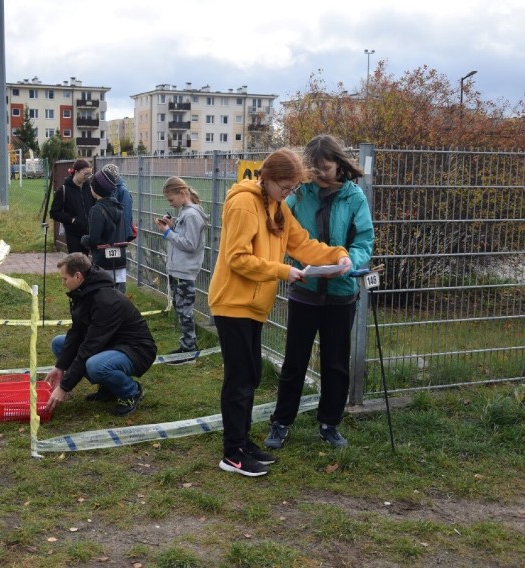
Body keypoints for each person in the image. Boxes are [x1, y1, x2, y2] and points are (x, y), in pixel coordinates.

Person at [207, 148, 352, 477]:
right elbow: (237, 258)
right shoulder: (244, 203)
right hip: (233, 302)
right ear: (268, 178)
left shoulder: (276, 206)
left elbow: (302, 244)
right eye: (285, 187)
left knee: (252, 375)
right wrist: (283, 272)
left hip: (255, 304)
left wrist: (338, 256)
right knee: (240, 378)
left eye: (292, 189)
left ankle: (242, 442)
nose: (289, 194)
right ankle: (232, 453)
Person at [265, 135, 374, 450]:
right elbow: (283, 231)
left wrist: (349, 262)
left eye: (325, 168)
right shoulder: (299, 195)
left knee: (336, 362)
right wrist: (289, 264)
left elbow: (364, 238)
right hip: (305, 291)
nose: (320, 175)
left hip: (342, 292)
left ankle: (330, 424)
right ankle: (281, 423)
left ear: (339, 163)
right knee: (294, 361)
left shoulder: (355, 198)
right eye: (313, 170)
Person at [44, 253, 157, 417]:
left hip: (137, 350)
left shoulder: (105, 301)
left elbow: (90, 346)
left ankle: (132, 391)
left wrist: (64, 387)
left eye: (65, 279)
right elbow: (77, 332)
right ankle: (109, 388)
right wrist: (60, 366)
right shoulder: (82, 292)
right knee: (59, 343)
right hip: (110, 343)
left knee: (95, 365)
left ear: (78, 276)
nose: (63, 284)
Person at [155, 176, 209, 362]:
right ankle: (187, 345)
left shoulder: (192, 215)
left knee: (184, 310)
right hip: (179, 269)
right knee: (181, 308)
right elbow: (184, 238)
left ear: (182, 193)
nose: (171, 204)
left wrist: (168, 233)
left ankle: (188, 349)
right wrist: (172, 227)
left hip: (184, 270)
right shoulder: (186, 213)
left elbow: (190, 244)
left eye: (171, 200)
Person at [81, 169, 127, 289]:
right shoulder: (119, 207)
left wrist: (84, 239)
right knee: (118, 299)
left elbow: (94, 239)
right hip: (119, 262)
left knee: (103, 299)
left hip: (102, 263)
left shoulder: (97, 210)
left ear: (96, 189)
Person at [49, 159, 95, 254]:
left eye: (90, 175)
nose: (87, 177)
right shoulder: (64, 190)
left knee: (85, 263)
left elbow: (94, 206)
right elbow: (54, 213)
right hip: (73, 233)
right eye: (85, 174)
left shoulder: (90, 188)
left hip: (88, 232)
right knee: (75, 262)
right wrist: (71, 219)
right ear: (76, 172)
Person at [102, 163, 136, 291]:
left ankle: (120, 294)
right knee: (111, 268)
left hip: (119, 237)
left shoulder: (123, 191)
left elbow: (126, 215)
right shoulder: (112, 189)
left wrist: (124, 237)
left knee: (118, 269)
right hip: (111, 237)